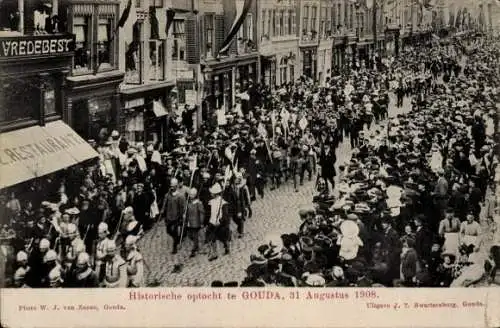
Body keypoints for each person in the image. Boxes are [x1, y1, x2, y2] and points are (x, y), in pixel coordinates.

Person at [160, 178, 186, 254]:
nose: (171, 187)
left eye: (173, 186)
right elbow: (164, 204)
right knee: (168, 231)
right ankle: (177, 238)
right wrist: (162, 210)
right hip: (168, 216)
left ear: (176, 186)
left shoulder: (180, 196)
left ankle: (174, 247)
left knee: (174, 232)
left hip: (176, 217)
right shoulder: (167, 195)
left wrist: (182, 215)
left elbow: (183, 207)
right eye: (171, 186)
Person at [206, 183, 231, 261]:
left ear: (216, 194)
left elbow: (225, 215)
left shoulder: (223, 203)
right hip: (212, 222)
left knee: (222, 238)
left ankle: (227, 247)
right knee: (212, 238)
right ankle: (215, 253)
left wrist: (220, 221)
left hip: (221, 224)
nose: (211, 194)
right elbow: (209, 212)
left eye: (212, 193)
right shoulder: (211, 201)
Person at [186, 188, 205, 258]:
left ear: (195, 195)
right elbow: (187, 211)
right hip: (189, 222)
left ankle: (194, 248)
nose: (190, 196)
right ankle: (196, 245)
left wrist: (201, 222)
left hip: (196, 222)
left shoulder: (198, 203)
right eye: (190, 194)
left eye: (192, 195)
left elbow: (202, 213)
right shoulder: (189, 202)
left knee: (195, 235)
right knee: (190, 235)